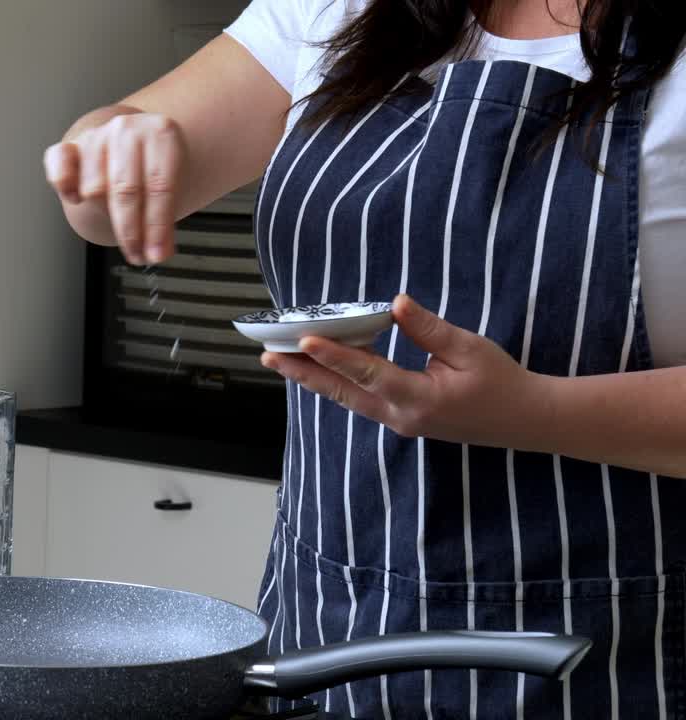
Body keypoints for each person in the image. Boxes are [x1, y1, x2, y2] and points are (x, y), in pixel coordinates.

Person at [44, 1, 686, 718]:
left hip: (614, 663)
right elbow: (101, 201)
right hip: (326, 645)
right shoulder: (341, 8)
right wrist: (109, 145)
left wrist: (534, 413)